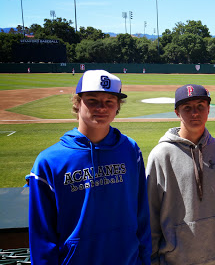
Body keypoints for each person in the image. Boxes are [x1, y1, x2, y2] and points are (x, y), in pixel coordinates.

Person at [28, 70, 151, 264]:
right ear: (77, 103)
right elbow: (42, 237)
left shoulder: (130, 150)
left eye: (109, 101)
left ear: (118, 106)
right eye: (92, 100)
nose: (101, 108)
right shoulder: (49, 162)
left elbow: (142, 213)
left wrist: (145, 259)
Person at [146, 84, 215, 265]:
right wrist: (153, 255)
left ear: (208, 109)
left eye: (200, 106)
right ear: (177, 112)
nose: (195, 113)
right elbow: (151, 210)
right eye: (187, 108)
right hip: (177, 259)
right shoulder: (161, 155)